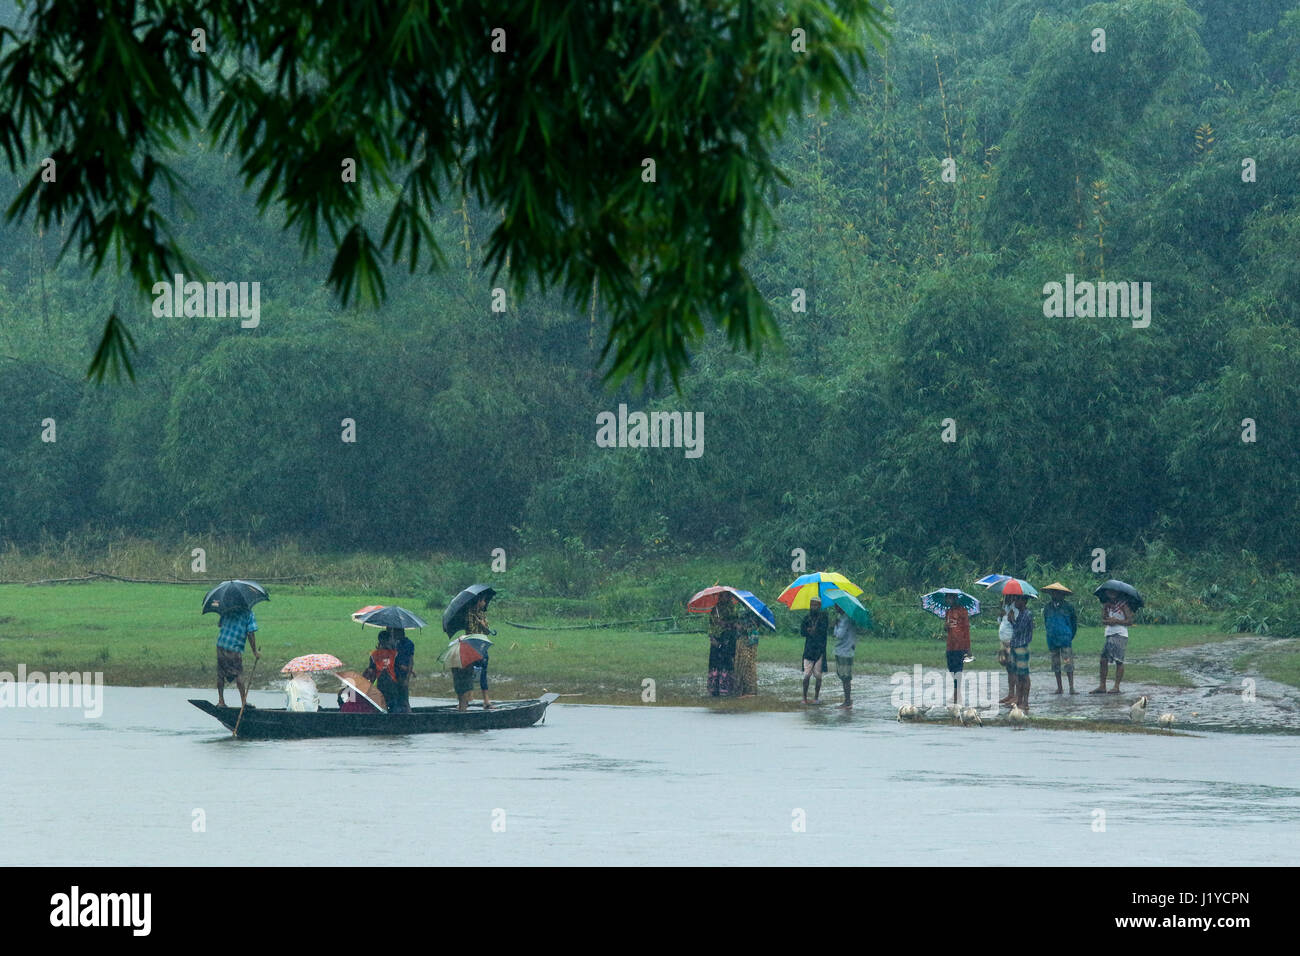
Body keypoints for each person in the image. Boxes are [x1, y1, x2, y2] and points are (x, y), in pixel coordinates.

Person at [215, 605, 260, 708]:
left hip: (221, 644)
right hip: (234, 647)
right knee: (238, 673)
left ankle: (221, 701)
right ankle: (243, 702)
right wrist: (254, 651)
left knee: (221, 674)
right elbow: (250, 633)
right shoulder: (249, 613)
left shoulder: (227, 609)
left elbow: (220, 624)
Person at [1091, 588, 1134, 694]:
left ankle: (1116, 686)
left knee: (1119, 660)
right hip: (1109, 634)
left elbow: (1129, 621)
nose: (1111, 594)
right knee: (1103, 660)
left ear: (1118, 592)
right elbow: (1103, 620)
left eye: (1113, 592)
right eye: (1109, 592)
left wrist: (1116, 621)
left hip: (1120, 634)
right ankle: (1102, 686)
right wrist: (1106, 617)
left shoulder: (1123, 605)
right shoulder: (1107, 605)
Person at [1042, 583, 1078, 695]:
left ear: (1063, 595)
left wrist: (1070, 635)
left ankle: (1071, 687)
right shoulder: (1047, 607)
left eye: (1058, 593)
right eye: (1053, 592)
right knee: (1055, 663)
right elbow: (1046, 622)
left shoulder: (1068, 607)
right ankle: (1059, 687)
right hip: (1052, 639)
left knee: (1068, 663)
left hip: (1065, 638)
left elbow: (1074, 623)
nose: (1055, 595)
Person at [707, 591, 741, 696]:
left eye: (727, 596)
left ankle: (727, 688)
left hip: (729, 640)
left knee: (727, 662)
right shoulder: (714, 610)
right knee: (715, 663)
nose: (724, 598)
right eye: (722, 596)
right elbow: (711, 626)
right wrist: (712, 638)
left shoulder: (733, 610)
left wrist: (727, 624)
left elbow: (736, 623)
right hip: (716, 639)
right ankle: (714, 688)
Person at [464, 596, 495, 710]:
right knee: (470, 672)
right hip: (472, 646)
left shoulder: (482, 614)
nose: (484, 602)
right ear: (478, 601)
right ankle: (466, 699)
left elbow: (487, 631)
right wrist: (479, 624)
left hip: (482, 646)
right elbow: (470, 631)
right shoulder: (469, 614)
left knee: (483, 673)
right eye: (483, 600)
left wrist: (482, 624)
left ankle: (486, 700)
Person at [799, 598, 829, 704]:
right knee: (806, 675)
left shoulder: (824, 618)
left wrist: (816, 631)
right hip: (808, 650)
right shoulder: (806, 618)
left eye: (816, 605)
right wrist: (808, 631)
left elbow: (824, 631)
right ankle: (804, 698)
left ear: (819, 606)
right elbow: (802, 632)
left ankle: (816, 697)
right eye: (812, 605)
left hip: (819, 650)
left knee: (818, 676)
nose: (813, 607)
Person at [943, 592, 970, 706]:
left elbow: (966, 629)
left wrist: (968, 648)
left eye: (949, 598)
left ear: (954, 598)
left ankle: (956, 695)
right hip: (950, 645)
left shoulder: (962, 611)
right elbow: (946, 629)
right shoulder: (948, 612)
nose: (947, 600)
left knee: (958, 670)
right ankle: (956, 693)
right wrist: (945, 626)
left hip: (960, 645)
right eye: (946, 598)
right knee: (951, 669)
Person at [1009, 593, 1034, 712]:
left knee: (1024, 675)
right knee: (1018, 675)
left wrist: (1012, 620)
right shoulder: (1022, 614)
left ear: (1023, 601)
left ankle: (1025, 701)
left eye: (1017, 599)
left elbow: (1018, 629)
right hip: (1016, 646)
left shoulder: (1026, 614)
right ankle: (1019, 700)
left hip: (1022, 647)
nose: (1015, 602)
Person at [832, 605, 857, 708]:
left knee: (845, 677)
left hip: (844, 651)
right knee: (843, 676)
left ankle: (847, 701)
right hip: (844, 650)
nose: (835, 607)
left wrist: (836, 625)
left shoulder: (845, 619)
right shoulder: (844, 618)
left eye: (837, 605)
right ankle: (847, 700)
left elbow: (839, 635)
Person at [733, 614, 760, 698]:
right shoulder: (745, 614)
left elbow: (751, 629)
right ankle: (743, 690)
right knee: (740, 666)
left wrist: (740, 626)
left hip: (748, 645)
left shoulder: (753, 617)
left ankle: (750, 691)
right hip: (742, 644)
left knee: (747, 666)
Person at [997, 596, 1018, 705]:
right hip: (1004, 643)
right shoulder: (1006, 608)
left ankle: (1016, 696)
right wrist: (1000, 616)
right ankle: (1011, 693)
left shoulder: (1015, 609)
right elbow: (1001, 623)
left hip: (1012, 643)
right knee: (1009, 669)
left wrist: (1012, 619)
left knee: (1014, 669)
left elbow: (1018, 627)